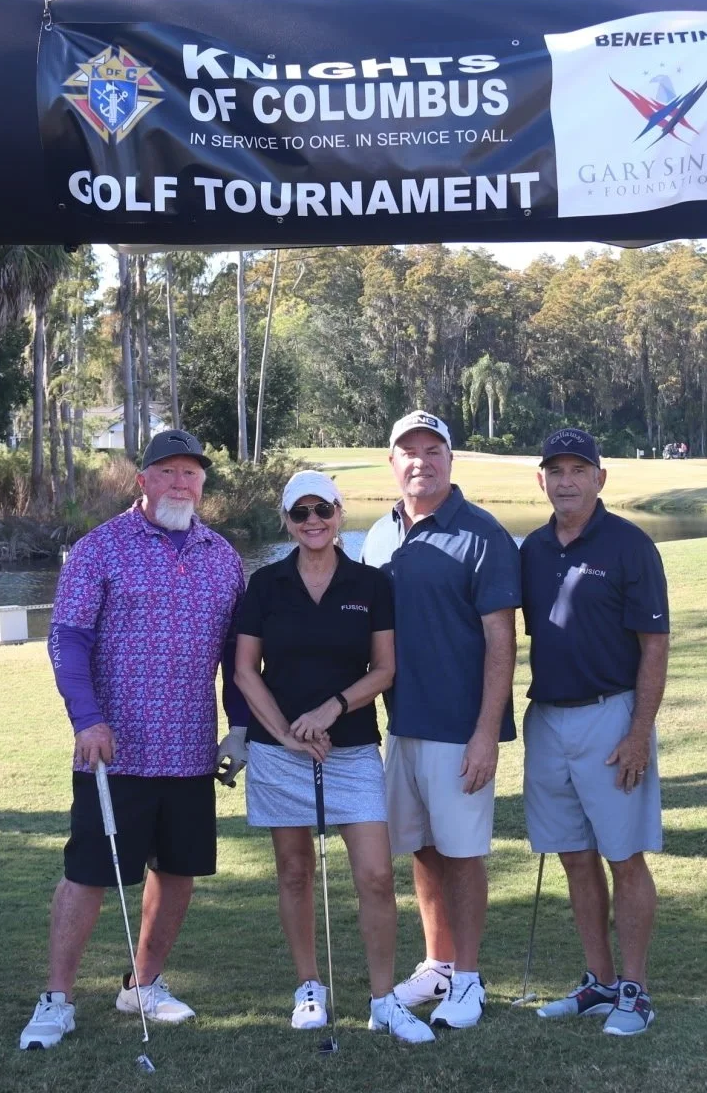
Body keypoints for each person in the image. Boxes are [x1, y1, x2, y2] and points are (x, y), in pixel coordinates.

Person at [19, 428, 250, 1052]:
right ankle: (58, 997)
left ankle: (142, 985)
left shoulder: (224, 558)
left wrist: (240, 725)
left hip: (190, 750)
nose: (181, 482)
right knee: (89, 875)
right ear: (142, 480)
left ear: (203, 483)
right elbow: (67, 639)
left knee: (177, 873)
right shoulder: (100, 549)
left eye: (192, 472)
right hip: (111, 750)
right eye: (168, 471)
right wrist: (86, 719)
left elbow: (237, 654)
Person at [230, 471, 436, 1045]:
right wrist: (288, 734)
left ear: (341, 513)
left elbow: (385, 669)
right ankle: (309, 989)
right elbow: (246, 669)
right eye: (301, 513)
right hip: (279, 753)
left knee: (373, 874)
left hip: (350, 749)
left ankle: (382, 1000)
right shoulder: (265, 585)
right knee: (294, 872)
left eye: (323, 510)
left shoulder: (370, 585)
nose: (313, 521)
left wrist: (329, 710)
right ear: (287, 522)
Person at [359, 411, 520, 1030]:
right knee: (423, 850)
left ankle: (470, 979)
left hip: (460, 729)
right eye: (409, 451)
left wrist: (487, 732)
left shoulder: (481, 534)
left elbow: (500, 642)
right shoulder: (378, 536)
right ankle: (438, 964)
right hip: (402, 725)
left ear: (451, 460)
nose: (420, 460)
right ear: (392, 462)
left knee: (463, 853)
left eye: (433, 449)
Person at [519, 428, 670, 1037]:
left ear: (600, 478)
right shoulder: (530, 549)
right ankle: (599, 981)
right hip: (547, 719)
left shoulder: (631, 546)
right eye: (556, 470)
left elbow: (654, 647)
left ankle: (634, 991)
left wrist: (639, 732)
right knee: (575, 857)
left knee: (623, 857)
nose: (567, 481)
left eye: (579, 469)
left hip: (613, 716)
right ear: (543, 481)